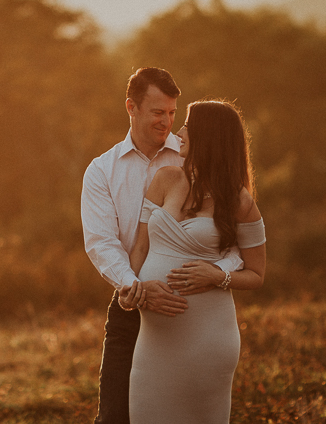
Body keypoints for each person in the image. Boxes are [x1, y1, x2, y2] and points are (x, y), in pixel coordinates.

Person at [81, 68, 242, 424]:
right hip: (129, 303)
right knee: (115, 416)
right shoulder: (102, 171)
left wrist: (217, 273)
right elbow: (102, 243)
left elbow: (231, 236)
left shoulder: (192, 156)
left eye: (172, 112)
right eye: (157, 112)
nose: (167, 122)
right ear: (131, 107)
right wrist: (134, 287)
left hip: (191, 313)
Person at [122, 99, 266, 424]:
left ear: (210, 136)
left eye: (188, 124)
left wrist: (219, 276)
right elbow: (141, 247)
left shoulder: (240, 202)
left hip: (207, 342)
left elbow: (257, 274)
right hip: (154, 343)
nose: (180, 131)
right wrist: (131, 285)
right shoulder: (166, 179)